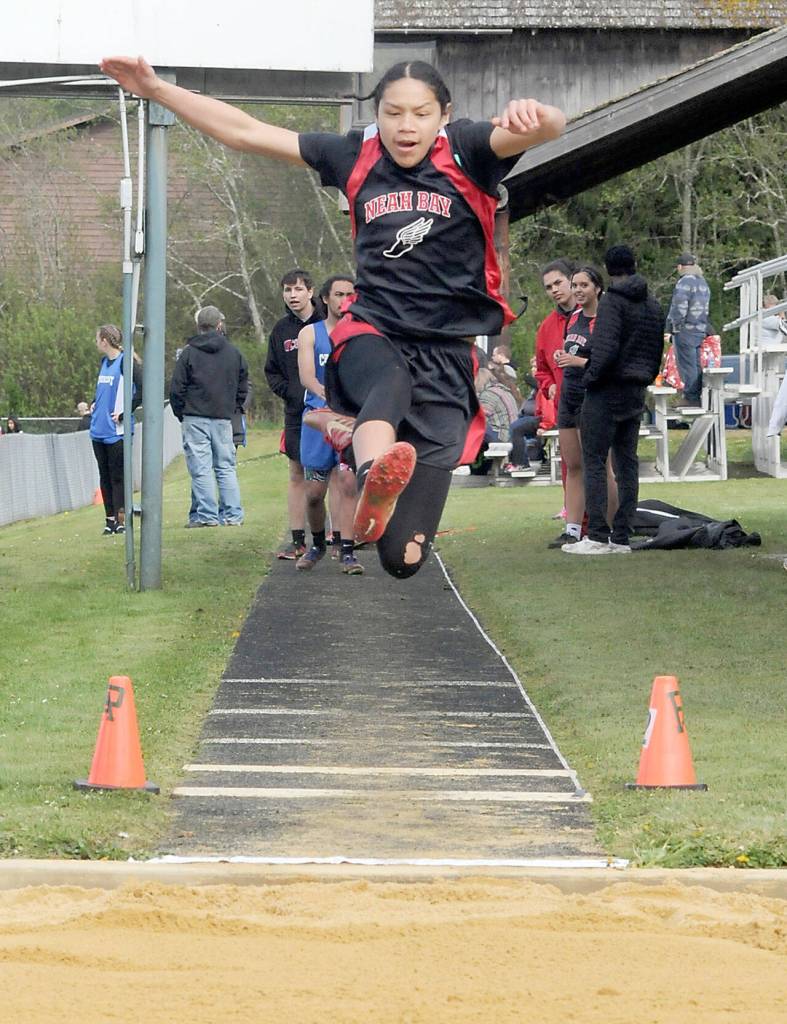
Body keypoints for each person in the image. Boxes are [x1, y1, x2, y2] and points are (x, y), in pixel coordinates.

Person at [100, 55, 565, 579]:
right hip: (374, 332)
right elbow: (246, 132)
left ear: (444, 115)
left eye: (419, 114)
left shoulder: (469, 148)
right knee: (387, 382)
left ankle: (351, 435)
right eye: (392, 113)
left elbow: (549, 127)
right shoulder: (353, 154)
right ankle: (373, 471)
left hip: (448, 355)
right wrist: (156, 89)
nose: (405, 127)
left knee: (402, 560)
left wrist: (538, 115)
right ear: (376, 115)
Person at [564, 245, 665, 555]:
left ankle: (596, 534)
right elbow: (655, 352)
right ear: (634, 265)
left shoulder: (613, 303)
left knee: (594, 460)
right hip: (636, 390)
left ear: (607, 270)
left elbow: (605, 349)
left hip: (606, 390)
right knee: (627, 463)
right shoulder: (654, 305)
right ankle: (622, 535)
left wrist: (590, 378)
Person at [295, 274, 363, 575]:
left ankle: (347, 550)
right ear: (325, 298)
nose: (343, 299)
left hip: (349, 419)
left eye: (349, 294)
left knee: (349, 483)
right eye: (338, 294)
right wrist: (329, 397)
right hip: (318, 418)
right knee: (313, 492)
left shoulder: (361, 334)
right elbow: (307, 377)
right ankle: (318, 543)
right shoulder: (310, 334)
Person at [549, 265, 617, 547]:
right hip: (570, 394)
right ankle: (573, 529)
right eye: (574, 285)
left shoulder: (607, 319)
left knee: (601, 465)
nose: (577, 290)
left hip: (595, 396)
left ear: (597, 288)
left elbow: (612, 364)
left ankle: (611, 529)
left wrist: (578, 362)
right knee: (573, 464)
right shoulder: (574, 317)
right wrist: (563, 356)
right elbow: (573, 349)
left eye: (583, 285)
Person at [169, 305, 248, 528]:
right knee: (225, 467)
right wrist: (234, 407)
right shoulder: (234, 353)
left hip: (194, 416)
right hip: (223, 417)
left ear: (199, 326)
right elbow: (243, 385)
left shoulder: (189, 353)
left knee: (201, 468)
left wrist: (181, 412)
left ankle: (207, 516)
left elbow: (176, 388)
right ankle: (233, 515)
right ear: (219, 325)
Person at [264, 269, 323, 560]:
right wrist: (292, 393)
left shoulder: (328, 324)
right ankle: (298, 540)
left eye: (298, 289)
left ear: (310, 292)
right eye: (287, 290)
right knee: (297, 473)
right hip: (296, 413)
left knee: (333, 475)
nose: (292, 296)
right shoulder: (281, 331)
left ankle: (339, 539)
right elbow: (271, 373)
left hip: (329, 412)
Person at [89, 325, 142, 535]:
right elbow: (102, 391)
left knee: (117, 476)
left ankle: (121, 521)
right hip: (98, 430)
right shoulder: (104, 363)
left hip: (116, 432)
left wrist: (123, 413)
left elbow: (141, 391)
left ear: (104, 340)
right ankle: (109, 520)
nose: (96, 342)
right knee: (104, 476)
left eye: (97, 338)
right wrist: (94, 403)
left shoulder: (126, 363)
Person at [666, 252, 711, 408]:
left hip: (685, 330)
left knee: (687, 365)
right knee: (697, 365)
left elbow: (680, 306)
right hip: (700, 328)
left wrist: (673, 326)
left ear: (680, 267)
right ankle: (697, 395)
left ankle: (690, 397)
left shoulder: (684, 282)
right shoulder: (702, 282)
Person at [504, 355, 556, 472]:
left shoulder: (545, 384)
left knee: (517, 428)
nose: (532, 370)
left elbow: (549, 409)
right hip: (541, 418)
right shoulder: (540, 385)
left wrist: (544, 426)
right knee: (516, 426)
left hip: (546, 420)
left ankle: (521, 463)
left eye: (534, 367)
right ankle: (517, 461)